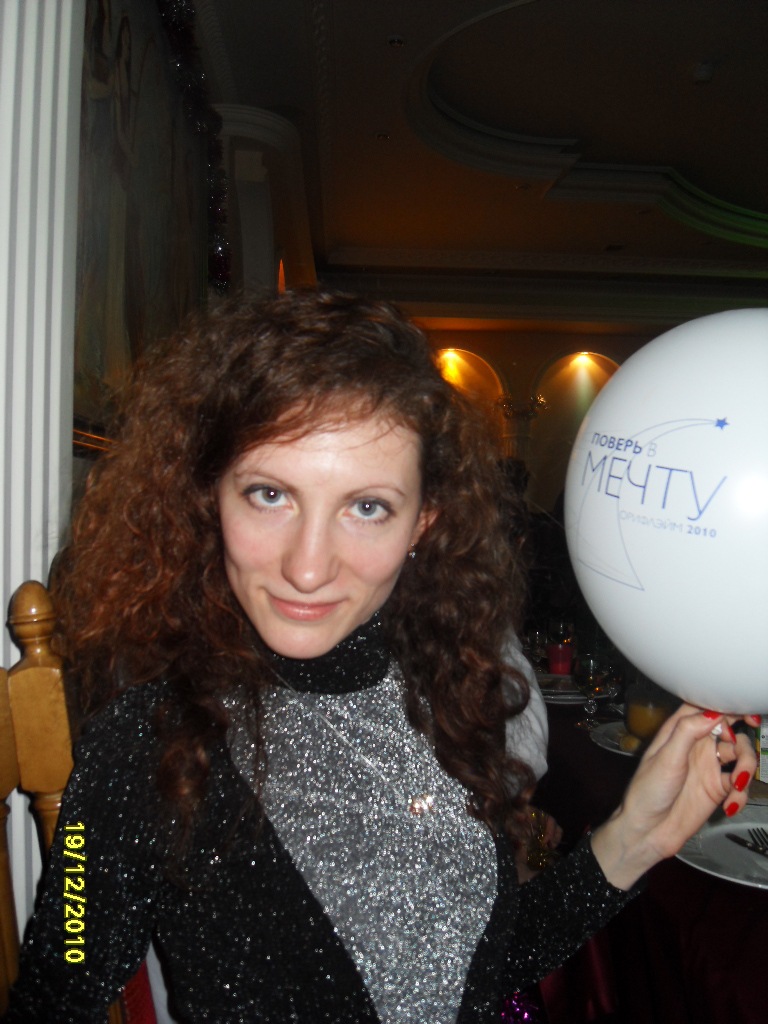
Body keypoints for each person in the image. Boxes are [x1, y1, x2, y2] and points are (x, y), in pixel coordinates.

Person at [7, 290, 758, 1023]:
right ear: (210, 494)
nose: (308, 568)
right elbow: (58, 991)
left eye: (367, 508)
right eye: (269, 494)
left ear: (423, 521)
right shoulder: (145, 746)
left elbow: (471, 973)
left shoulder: (453, 690)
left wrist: (635, 838)